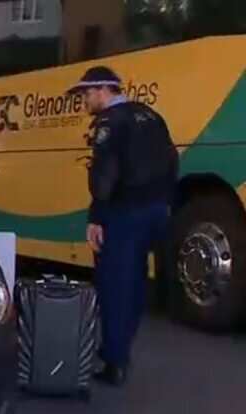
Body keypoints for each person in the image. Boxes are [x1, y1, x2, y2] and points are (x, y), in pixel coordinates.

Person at [72, 65, 178, 387]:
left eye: (87, 94)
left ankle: (115, 361)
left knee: (114, 284)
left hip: (124, 212)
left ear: (104, 90)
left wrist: (96, 216)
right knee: (134, 283)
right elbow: (173, 160)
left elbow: (105, 174)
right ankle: (120, 349)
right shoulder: (151, 115)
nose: (84, 101)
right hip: (158, 210)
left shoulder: (109, 121)